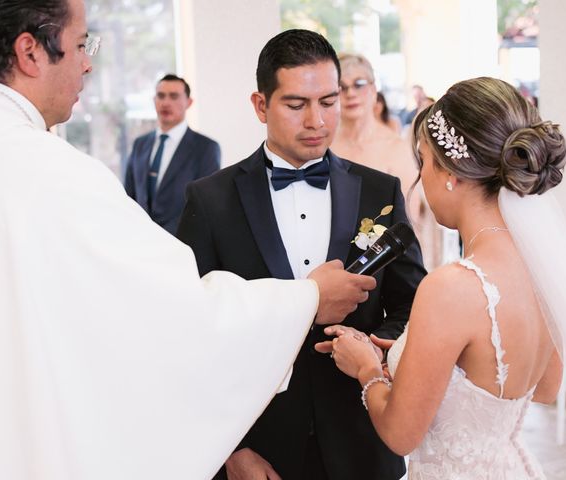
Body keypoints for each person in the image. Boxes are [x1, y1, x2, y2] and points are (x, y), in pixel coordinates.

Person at [0, 2, 378, 479]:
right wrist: (308, 298)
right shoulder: (49, 174)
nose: (88, 62)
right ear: (30, 52)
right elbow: (171, 315)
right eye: (81, 44)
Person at [320, 76, 566, 478]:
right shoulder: (542, 268)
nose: (422, 182)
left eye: (424, 161)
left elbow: (401, 435)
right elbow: (543, 389)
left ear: (450, 171)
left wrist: (367, 367)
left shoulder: (452, 287)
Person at [176, 30, 426, 480]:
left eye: (328, 102)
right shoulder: (210, 200)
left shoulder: (380, 191)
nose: (316, 120)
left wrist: (370, 345)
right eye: (296, 105)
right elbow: (192, 333)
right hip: (261, 448)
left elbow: (413, 306)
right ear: (260, 105)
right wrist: (232, 449)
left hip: (361, 438)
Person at [331, 54, 442, 269]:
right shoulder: (325, 148)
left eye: (359, 84)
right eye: (341, 87)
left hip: (389, 263)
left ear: (373, 90)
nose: (350, 93)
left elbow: (411, 220)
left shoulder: (398, 148)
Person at [125, 73, 220, 235]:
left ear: (188, 102)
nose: (166, 103)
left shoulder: (205, 148)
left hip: (184, 244)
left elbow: (207, 205)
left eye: (174, 96)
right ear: (154, 100)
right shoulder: (139, 145)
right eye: (161, 96)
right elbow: (129, 197)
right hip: (141, 243)